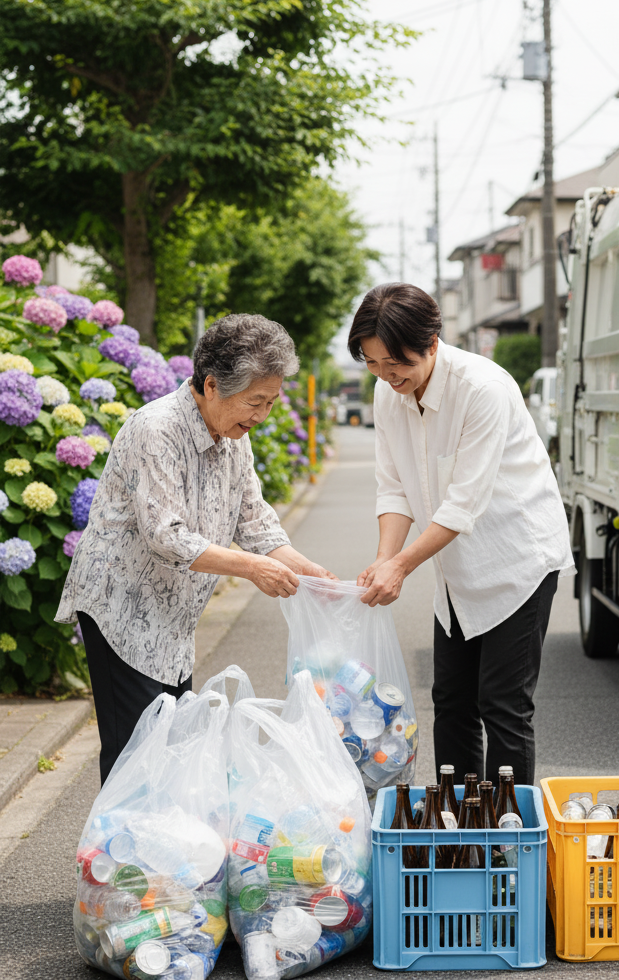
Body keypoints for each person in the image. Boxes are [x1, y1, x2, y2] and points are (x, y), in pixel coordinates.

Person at [57, 313, 334, 782]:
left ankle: (157, 852)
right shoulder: (157, 428)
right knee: (136, 758)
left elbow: (255, 521)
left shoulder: (232, 435)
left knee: (171, 750)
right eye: (255, 402)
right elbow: (166, 534)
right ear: (211, 385)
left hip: (171, 616)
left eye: (271, 402)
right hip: (123, 606)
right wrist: (252, 570)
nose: (262, 416)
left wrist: (309, 572)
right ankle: (116, 854)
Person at [349, 283, 574, 786]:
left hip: (518, 559)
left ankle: (508, 844)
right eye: (373, 364)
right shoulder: (390, 395)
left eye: (396, 364)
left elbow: (463, 504)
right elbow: (394, 488)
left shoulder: (482, 388)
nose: (386, 377)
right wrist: (384, 559)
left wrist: (400, 566)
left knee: (503, 705)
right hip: (456, 570)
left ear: (431, 343)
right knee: (450, 701)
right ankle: (457, 829)